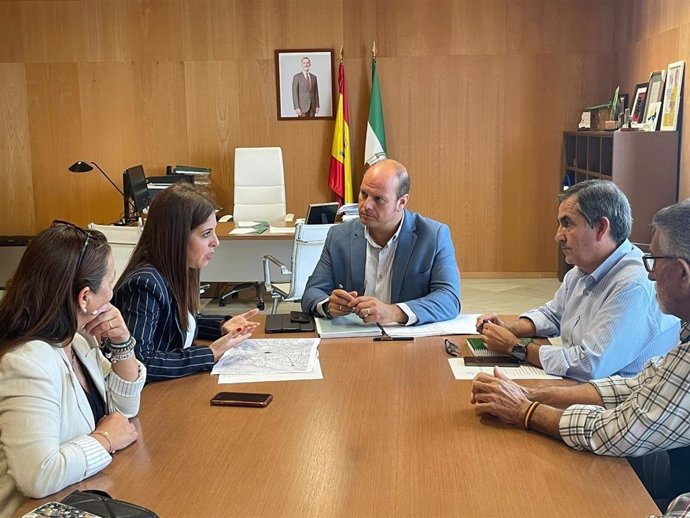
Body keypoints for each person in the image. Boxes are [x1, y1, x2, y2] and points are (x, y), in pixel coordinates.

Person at [470, 199, 690, 504]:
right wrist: (533, 394)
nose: (650, 273)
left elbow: (617, 428)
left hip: (648, 458)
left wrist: (524, 410)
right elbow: (640, 385)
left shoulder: (634, 285)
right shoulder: (581, 269)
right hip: (640, 432)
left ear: (682, 273)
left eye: (654, 260)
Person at [0, 223, 146, 515]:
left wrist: (122, 342)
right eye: (110, 282)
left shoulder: (76, 342)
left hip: (77, 493)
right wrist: (105, 439)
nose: (112, 293)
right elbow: (37, 477)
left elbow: (124, 410)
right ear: (85, 298)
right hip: (32, 508)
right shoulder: (28, 361)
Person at [476, 180, 678, 380]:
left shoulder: (633, 284)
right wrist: (509, 328)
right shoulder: (582, 269)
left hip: (617, 401)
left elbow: (589, 364)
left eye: (567, 224)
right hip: (583, 388)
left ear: (600, 228)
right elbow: (553, 315)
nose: (558, 236)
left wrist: (516, 347)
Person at [114, 183, 260, 382]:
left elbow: (179, 322)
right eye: (206, 234)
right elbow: (140, 362)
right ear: (176, 237)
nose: (216, 242)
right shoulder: (144, 285)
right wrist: (210, 353)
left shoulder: (176, 271)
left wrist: (222, 326)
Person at [302, 159, 461, 326]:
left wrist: (394, 312)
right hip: (353, 337)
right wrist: (328, 306)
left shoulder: (433, 236)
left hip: (407, 339)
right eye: (364, 194)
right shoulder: (339, 235)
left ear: (402, 202)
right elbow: (312, 292)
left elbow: (449, 299)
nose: (366, 205)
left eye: (378, 199)